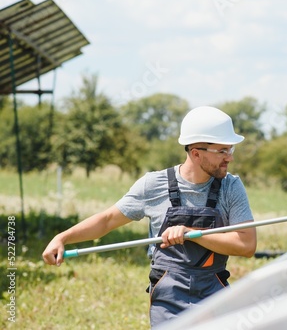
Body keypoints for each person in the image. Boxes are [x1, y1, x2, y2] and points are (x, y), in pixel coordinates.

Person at [42, 106, 257, 327]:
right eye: (222, 151)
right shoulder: (153, 185)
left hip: (214, 293)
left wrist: (193, 234)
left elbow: (247, 245)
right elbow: (107, 220)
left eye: (231, 150)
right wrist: (63, 238)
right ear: (196, 152)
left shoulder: (231, 186)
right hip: (169, 296)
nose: (229, 158)